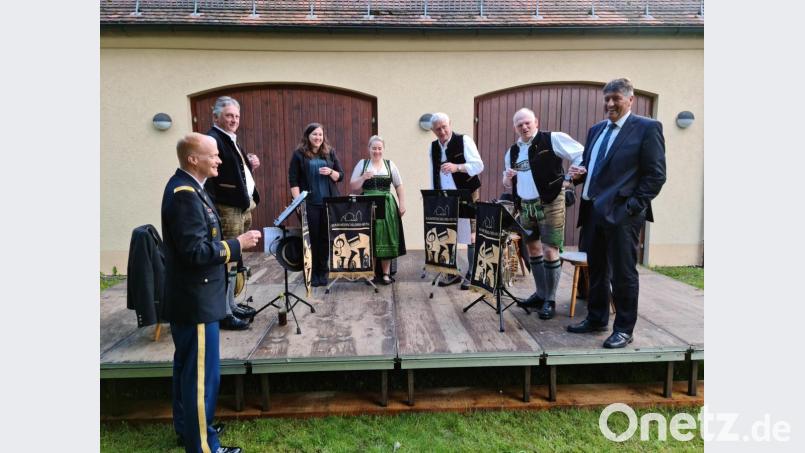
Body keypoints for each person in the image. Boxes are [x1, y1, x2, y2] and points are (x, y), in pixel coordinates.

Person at [162, 132, 261, 453]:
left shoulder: (192, 189)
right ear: (193, 159)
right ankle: (204, 447)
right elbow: (194, 252)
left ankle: (189, 430)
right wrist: (237, 244)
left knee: (187, 371)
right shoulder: (184, 195)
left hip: (194, 298)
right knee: (202, 379)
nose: (220, 160)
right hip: (197, 301)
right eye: (213, 155)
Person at [566, 78, 667, 348]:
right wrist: (578, 176)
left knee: (623, 273)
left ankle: (624, 328)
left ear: (630, 99)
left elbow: (655, 176)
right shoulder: (596, 130)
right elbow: (591, 166)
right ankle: (597, 318)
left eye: (616, 99)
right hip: (592, 212)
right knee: (597, 270)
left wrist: (632, 208)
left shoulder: (647, 128)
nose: (610, 103)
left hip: (622, 216)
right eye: (607, 99)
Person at [502, 108, 583, 320]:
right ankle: (540, 294)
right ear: (515, 128)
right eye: (520, 124)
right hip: (526, 205)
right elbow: (507, 180)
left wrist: (569, 178)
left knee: (550, 250)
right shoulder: (512, 152)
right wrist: (507, 178)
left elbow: (581, 154)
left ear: (536, 122)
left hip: (550, 201)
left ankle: (550, 299)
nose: (524, 127)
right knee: (533, 249)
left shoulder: (553, 139)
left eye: (527, 122)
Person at [205, 96, 261, 331]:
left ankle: (231, 303)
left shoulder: (230, 139)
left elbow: (231, 167)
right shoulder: (212, 139)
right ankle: (225, 312)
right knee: (228, 258)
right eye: (229, 115)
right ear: (216, 116)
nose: (233, 120)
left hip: (242, 207)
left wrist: (249, 165)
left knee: (235, 259)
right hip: (228, 209)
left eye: (236, 116)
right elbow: (210, 172)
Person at [427, 112, 484, 290]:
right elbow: (433, 171)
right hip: (445, 196)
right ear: (433, 131)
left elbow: (479, 165)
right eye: (438, 129)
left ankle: (472, 274)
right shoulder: (433, 147)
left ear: (450, 124)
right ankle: (452, 273)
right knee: (447, 233)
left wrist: (457, 167)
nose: (442, 131)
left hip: (467, 193)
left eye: (444, 126)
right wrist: (434, 194)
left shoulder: (464, 140)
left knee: (471, 235)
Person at [288, 122, 344, 287]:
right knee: (311, 239)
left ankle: (323, 272)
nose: (318, 137)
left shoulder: (330, 152)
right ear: (308, 136)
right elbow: (293, 179)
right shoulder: (299, 154)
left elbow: (340, 175)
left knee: (325, 239)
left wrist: (331, 172)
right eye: (314, 134)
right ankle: (311, 274)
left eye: (320, 134)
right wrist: (297, 202)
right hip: (309, 203)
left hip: (328, 203)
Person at [349, 135, 407, 284]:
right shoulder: (362, 164)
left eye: (379, 148)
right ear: (369, 149)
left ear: (383, 149)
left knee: (386, 237)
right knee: (370, 237)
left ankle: (386, 274)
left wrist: (402, 204)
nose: (377, 151)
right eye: (374, 148)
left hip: (387, 205)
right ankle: (371, 274)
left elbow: (399, 186)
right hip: (367, 205)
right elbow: (353, 187)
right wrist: (363, 178)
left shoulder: (390, 164)